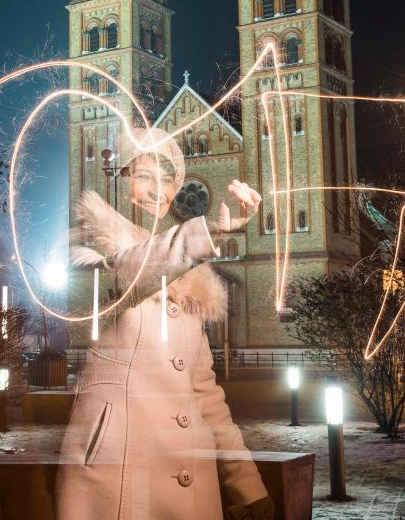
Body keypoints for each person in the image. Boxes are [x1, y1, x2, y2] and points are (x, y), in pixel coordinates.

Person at [56, 128, 274, 520]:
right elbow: (125, 275)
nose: (160, 190)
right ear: (116, 178)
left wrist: (247, 485)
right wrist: (211, 232)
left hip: (192, 492)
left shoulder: (190, 279)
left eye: (169, 179)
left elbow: (206, 397)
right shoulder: (86, 247)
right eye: (144, 176)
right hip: (117, 485)